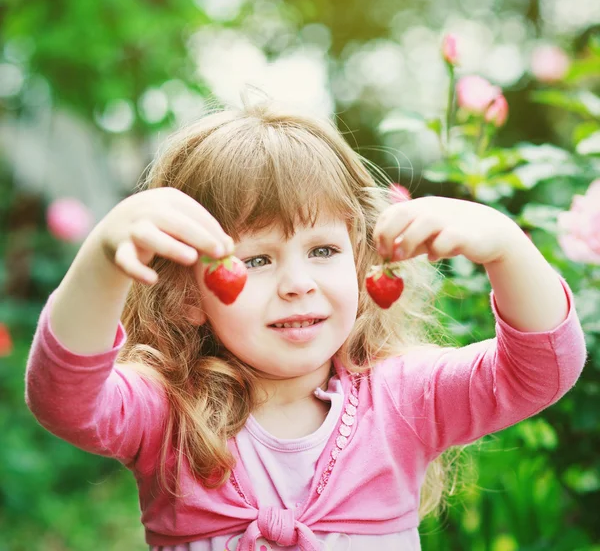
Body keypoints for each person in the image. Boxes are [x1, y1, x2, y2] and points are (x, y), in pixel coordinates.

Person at [25, 90, 587, 551]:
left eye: (322, 250)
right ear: (187, 296)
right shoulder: (169, 411)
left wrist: (508, 249)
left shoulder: (403, 400)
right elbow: (64, 398)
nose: (298, 283)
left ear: (364, 264)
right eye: (256, 260)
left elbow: (539, 371)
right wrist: (103, 260)